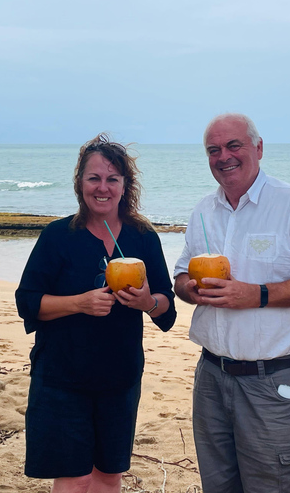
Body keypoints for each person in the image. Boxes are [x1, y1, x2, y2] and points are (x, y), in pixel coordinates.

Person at [173, 113, 290, 493]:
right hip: (211, 377)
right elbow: (181, 277)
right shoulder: (203, 211)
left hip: (273, 379)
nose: (224, 156)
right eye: (214, 150)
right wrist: (190, 290)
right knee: (218, 485)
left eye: (234, 145)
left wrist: (257, 294)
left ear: (258, 148)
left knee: (278, 484)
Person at [16, 133, 177, 493]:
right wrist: (79, 303)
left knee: (107, 476)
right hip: (62, 376)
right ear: (80, 184)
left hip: (119, 377)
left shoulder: (143, 238)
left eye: (112, 179)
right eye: (94, 178)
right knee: (75, 478)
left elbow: (166, 309)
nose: (102, 187)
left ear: (124, 186)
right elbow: (27, 301)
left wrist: (147, 303)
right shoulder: (58, 236)